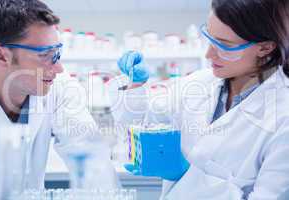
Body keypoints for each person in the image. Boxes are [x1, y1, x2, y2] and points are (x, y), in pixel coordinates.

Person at [108, 0, 289, 199]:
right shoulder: (199, 84)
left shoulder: (282, 117)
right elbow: (141, 126)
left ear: (264, 48)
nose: (208, 54)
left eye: (224, 45)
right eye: (209, 38)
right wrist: (135, 87)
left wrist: (186, 174)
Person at [0, 0, 118, 198]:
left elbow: (94, 162)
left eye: (57, 52)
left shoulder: (59, 87)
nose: (59, 68)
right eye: (45, 55)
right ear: (0, 56)